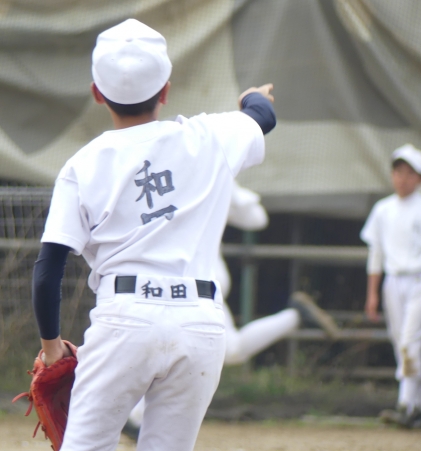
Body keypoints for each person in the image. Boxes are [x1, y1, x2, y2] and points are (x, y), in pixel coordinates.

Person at [31, 18, 275, 450]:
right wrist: (252, 97)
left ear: (97, 93)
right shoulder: (210, 136)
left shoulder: (83, 164)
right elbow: (263, 117)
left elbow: (49, 269)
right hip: (199, 323)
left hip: (125, 320)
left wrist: (52, 347)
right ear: (165, 90)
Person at [123, 182, 341, 438]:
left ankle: (135, 417)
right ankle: (294, 316)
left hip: (188, 283)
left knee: (169, 347)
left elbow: (257, 219)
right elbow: (256, 218)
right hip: (186, 281)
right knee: (229, 349)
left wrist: (226, 187)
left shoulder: (202, 174)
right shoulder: (188, 176)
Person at [360, 143, 421, 429]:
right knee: (401, 341)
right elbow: (376, 254)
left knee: (410, 341)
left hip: (420, 280)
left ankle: (405, 404)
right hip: (393, 281)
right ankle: (417, 406)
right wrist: (372, 294)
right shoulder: (383, 209)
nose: (402, 179)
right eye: (398, 172)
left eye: (409, 173)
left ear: (419, 178)